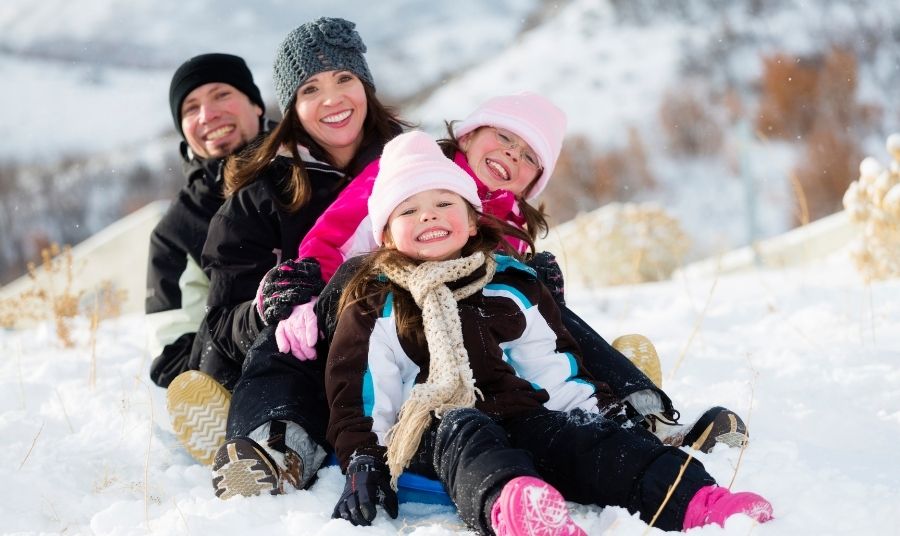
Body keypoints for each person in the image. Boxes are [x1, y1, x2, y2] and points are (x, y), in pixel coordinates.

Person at [325, 131, 774, 534]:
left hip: (522, 417)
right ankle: (518, 509)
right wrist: (365, 461)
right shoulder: (376, 305)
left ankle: (696, 500)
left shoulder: (508, 284)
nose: (429, 216)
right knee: (465, 426)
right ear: (385, 235)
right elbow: (363, 398)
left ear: (473, 219)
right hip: (436, 436)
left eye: (444, 203)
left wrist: (598, 420)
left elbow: (554, 366)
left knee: (588, 440)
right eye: (409, 210)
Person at [261, 91, 746, 455]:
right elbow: (327, 238)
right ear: (469, 135)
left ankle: (639, 413)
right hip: (372, 317)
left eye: (529, 156)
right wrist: (308, 295)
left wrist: (540, 294)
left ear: (534, 181)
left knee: (549, 311)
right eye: (505, 138)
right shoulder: (408, 169)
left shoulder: (508, 230)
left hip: (449, 341)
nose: (512, 155)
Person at [175, 18, 409, 495]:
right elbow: (221, 319)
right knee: (290, 337)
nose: (332, 99)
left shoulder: (412, 168)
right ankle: (273, 447)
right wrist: (266, 306)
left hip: (396, 340)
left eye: (344, 79)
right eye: (310, 88)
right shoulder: (260, 197)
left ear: (365, 85)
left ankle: (593, 392)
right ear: (291, 107)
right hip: (302, 356)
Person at [145, 53, 274, 464]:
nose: (208, 114)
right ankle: (233, 417)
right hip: (239, 354)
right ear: (183, 130)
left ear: (256, 103)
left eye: (222, 94)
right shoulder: (178, 229)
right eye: (191, 107)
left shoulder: (307, 168)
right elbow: (173, 349)